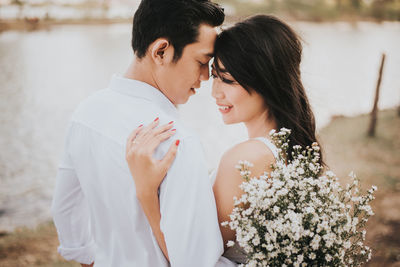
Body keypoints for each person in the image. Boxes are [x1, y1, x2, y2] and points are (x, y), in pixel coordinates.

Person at [125, 14, 324, 264]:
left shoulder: (245, 160)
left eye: (227, 79)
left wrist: (146, 192)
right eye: (215, 76)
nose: (215, 92)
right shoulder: (288, 146)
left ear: (266, 80)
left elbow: (193, 261)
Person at [51, 0, 237, 266]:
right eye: (201, 61)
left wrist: (91, 258)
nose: (206, 77)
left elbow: (65, 208)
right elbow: (198, 261)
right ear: (161, 51)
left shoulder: (85, 113)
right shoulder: (176, 141)